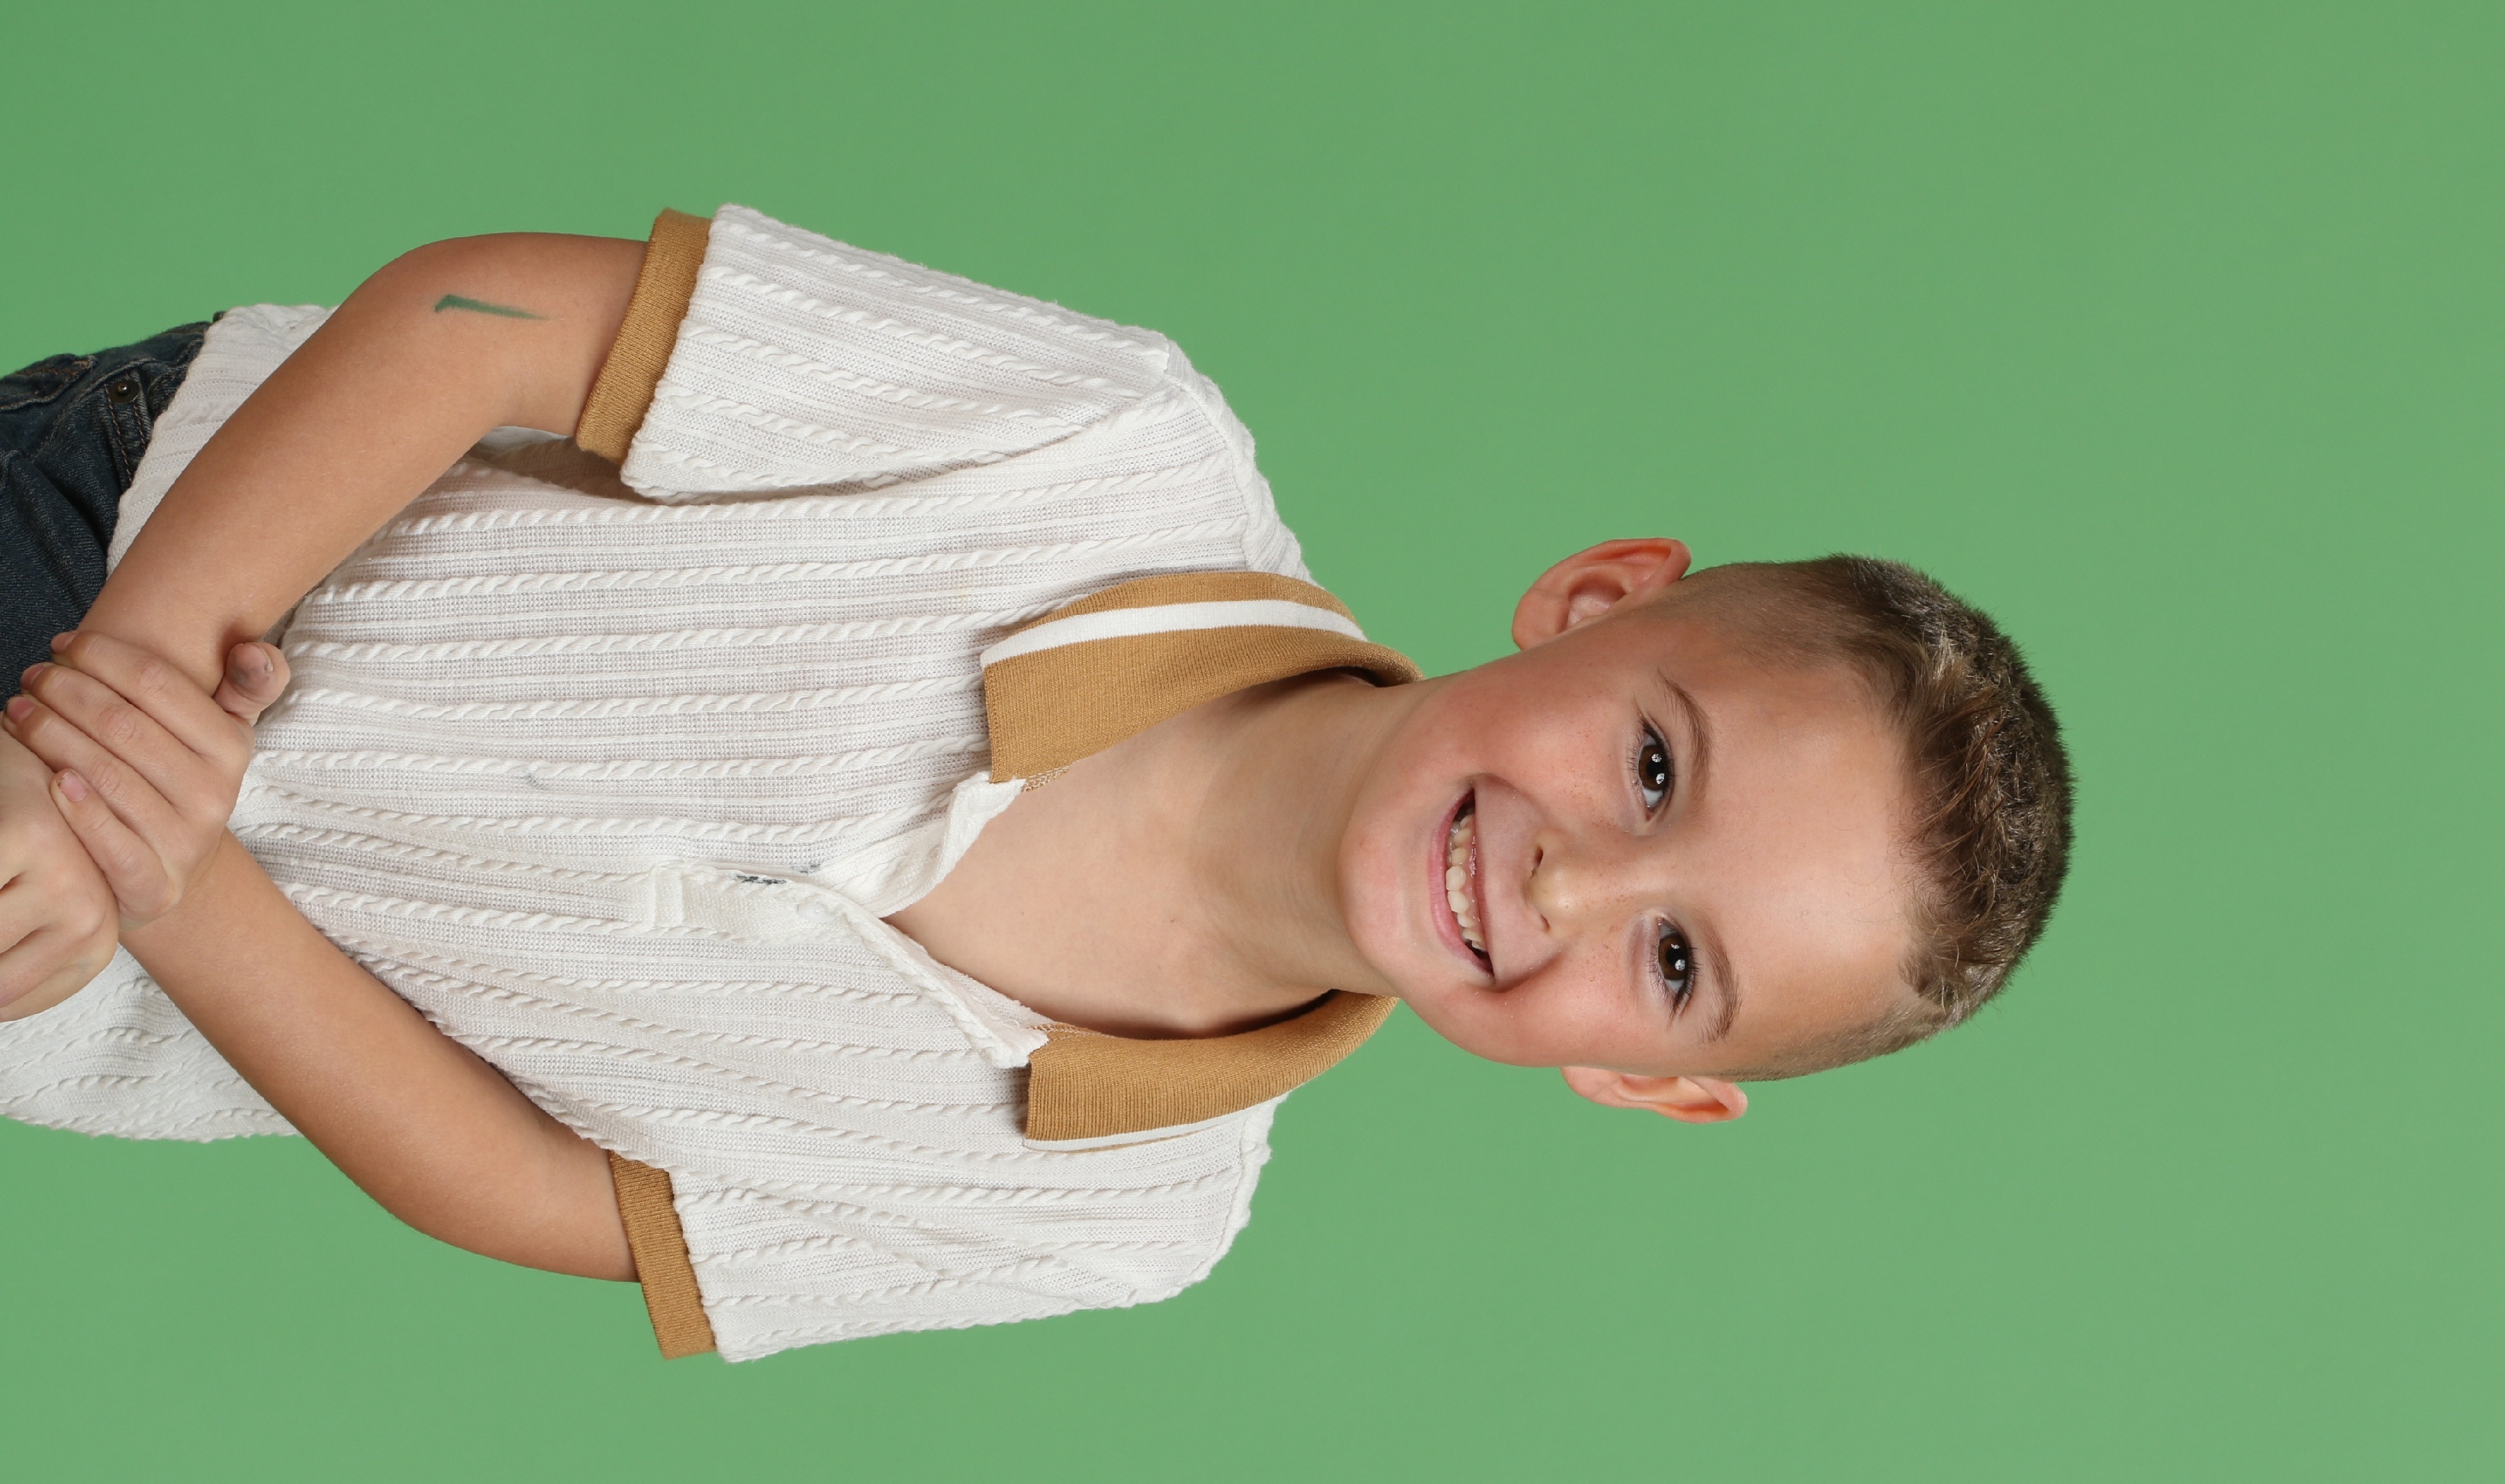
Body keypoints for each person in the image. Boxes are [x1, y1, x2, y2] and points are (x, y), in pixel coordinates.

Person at [0, 206, 2073, 1363]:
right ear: (1599, 601)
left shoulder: (1121, 1216)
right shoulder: (1108, 447)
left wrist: (166, 877)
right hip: (142, 535)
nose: (1569, 886)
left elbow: (535, 1190)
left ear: (1644, 1080)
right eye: (1650, 765)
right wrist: (134, 689)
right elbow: (486, 319)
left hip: (104, 970)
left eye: (1676, 963)